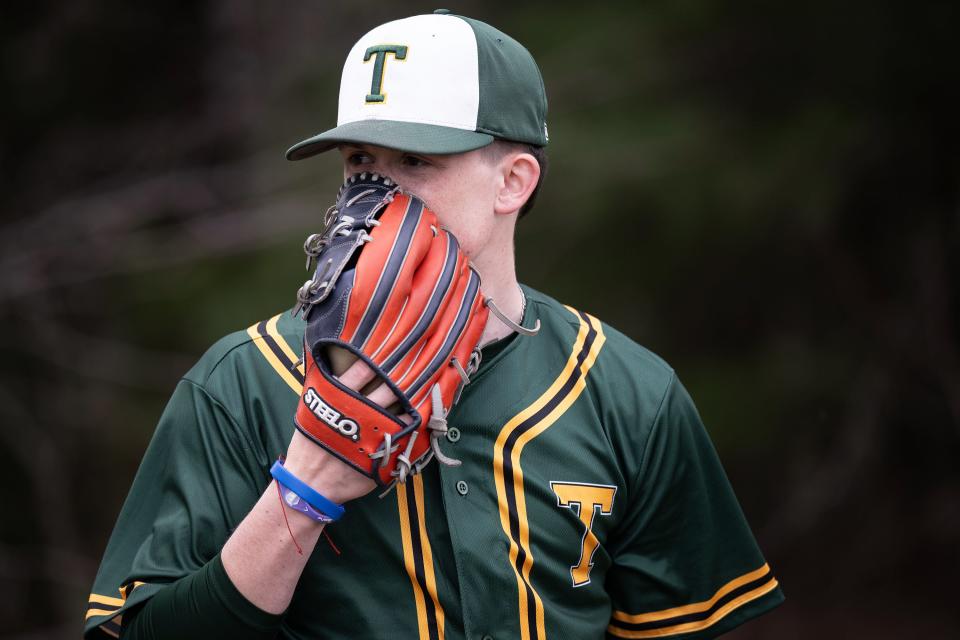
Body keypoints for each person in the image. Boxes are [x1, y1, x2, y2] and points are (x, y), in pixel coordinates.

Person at [85, 10, 783, 639]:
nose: (377, 191)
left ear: (513, 180)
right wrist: (303, 492)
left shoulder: (628, 391)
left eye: (416, 161)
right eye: (361, 161)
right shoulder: (242, 380)